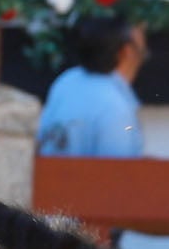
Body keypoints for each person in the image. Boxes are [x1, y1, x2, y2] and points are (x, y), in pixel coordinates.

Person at [36, 14, 145, 158]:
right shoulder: (115, 107)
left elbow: (39, 142)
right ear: (126, 52)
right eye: (142, 50)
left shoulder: (66, 81)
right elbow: (118, 173)